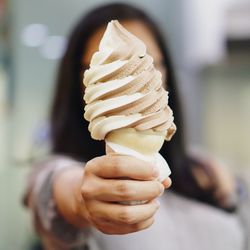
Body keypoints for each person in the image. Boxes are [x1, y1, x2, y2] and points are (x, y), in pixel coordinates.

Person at [23, 3, 249, 250]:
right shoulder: (56, 170)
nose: (136, 83)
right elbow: (57, 191)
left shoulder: (204, 167)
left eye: (148, 64)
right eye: (109, 67)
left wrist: (233, 192)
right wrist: (83, 201)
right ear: (82, 81)